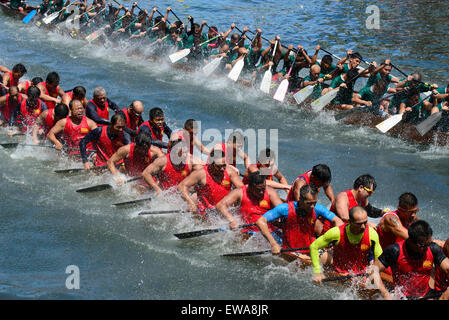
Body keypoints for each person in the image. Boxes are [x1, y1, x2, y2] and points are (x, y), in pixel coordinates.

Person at [257, 184, 343, 257]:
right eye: (309, 203)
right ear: (300, 199)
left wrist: (335, 238)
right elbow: (260, 221)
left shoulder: (318, 208)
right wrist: (274, 244)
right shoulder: (284, 208)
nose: (312, 206)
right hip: (291, 251)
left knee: (333, 260)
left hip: (311, 248)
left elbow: (338, 221)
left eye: (314, 203)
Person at [371, 220, 449, 299]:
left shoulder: (433, 248)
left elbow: (447, 267)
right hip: (403, 296)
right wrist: (385, 294)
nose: (426, 248)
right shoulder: (394, 250)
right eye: (422, 245)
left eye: (428, 244)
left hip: (426, 293)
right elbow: (372, 270)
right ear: (410, 241)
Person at [310, 206, 383, 284]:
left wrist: (375, 271)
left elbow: (381, 258)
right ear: (349, 222)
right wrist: (317, 272)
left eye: (365, 222)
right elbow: (314, 246)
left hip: (362, 275)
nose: (363, 227)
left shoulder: (372, 234)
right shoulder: (336, 233)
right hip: (339, 273)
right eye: (359, 224)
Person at [177, 149, 243, 216]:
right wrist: (190, 202)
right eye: (219, 166)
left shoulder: (230, 172)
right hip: (206, 212)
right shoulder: (201, 174)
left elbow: (243, 190)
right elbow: (181, 186)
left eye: (224, 165)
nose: (222, 169)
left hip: (224, 210)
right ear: (211, 164)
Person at [216, 171, 283, 236]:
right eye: (258, 190)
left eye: (263, 188)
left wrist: (278, 219)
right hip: (247, 232)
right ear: (250, 187)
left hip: (269, 230)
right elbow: (220, 205)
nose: (262, 192)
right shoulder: (239, 192)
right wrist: (232, 220)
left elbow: (282, 209)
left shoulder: (270, 192)